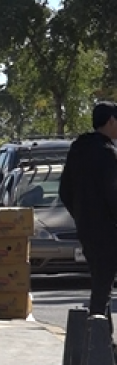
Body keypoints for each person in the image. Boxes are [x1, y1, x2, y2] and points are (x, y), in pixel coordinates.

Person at [59, 101, 117, 338]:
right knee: (102, 287)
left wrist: (82, 216)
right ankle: (98, 343)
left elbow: (64, 191)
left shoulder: (77, 149)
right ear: (111, 121)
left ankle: (103, 343)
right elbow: (113, 194)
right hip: (109, 230)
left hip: (87, 229)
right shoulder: (107, 153)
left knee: (101, 282)